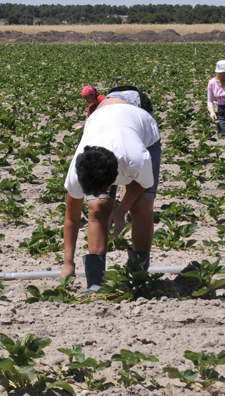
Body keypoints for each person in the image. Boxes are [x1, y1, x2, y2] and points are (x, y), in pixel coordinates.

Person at [61, 89, 161, 291]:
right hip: (103, 118)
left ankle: (139, 276)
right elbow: (71, 218)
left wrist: (120, 212)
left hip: (139, 120)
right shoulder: (76, 173)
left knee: (141, 207)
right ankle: (95, 282)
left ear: (113, 179)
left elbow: (141, 183)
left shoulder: (135, 157)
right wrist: (67, 263)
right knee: (97, 207)